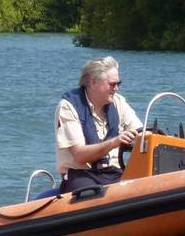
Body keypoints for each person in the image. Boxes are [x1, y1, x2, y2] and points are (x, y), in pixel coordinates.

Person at [55, 56, 143, 192]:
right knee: (90, 195)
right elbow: (80, 155)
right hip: (81, 174)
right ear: (93, 82)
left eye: (119, 84)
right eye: (112, 84)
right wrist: (114, 142)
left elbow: (142, 133)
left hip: (114, 172)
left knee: (141, 188)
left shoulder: (118, 102)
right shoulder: (68, 106)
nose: (117, 88)